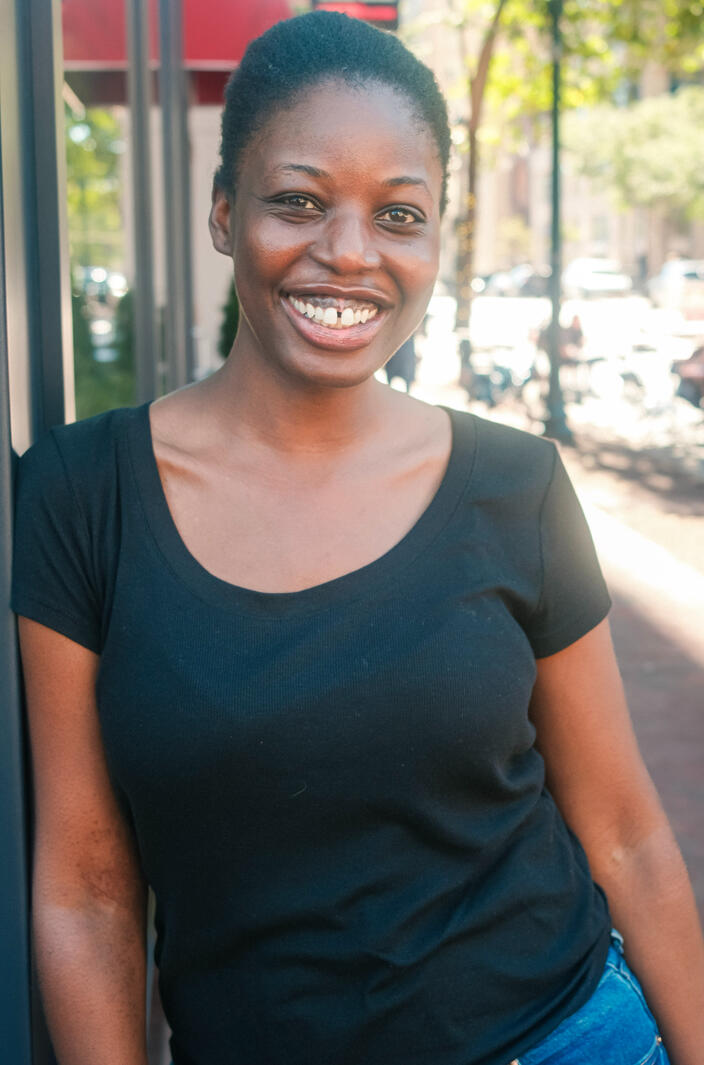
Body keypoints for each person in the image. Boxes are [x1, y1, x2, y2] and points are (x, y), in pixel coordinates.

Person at [11, 12, 704, 1065]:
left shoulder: (515, 485)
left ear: (433, 239)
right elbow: (89, 884)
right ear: (221, 211)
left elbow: (626, 834)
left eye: (398, 214)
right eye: (296, 200)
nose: (347, 253)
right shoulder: (80, 492)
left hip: (563, 1038)